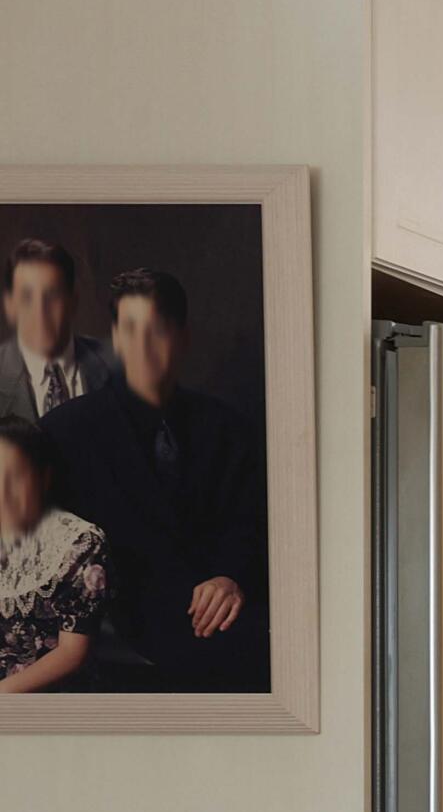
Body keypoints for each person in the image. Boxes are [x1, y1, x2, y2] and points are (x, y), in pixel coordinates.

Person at [42, 268, 264, 690]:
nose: (142, 346)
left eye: (157, 330)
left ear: (183, 337)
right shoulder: (64, 431)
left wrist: (229, 577)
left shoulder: (229, 428)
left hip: (215, 633)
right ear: (116, 338)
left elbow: (249, 526)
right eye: (129, 330)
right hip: (107, 647)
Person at [0, 416, 109, 693]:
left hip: (45, 694)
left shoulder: (79, 543)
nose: (4, 493)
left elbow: (73, 653)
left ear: (44, 477)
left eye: (17, 477)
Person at [0, 237, 122, 424]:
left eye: (53, 295)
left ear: (73, 302)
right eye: (26, 297)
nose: (40, 312)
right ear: (9, 306)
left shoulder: (121, 365)